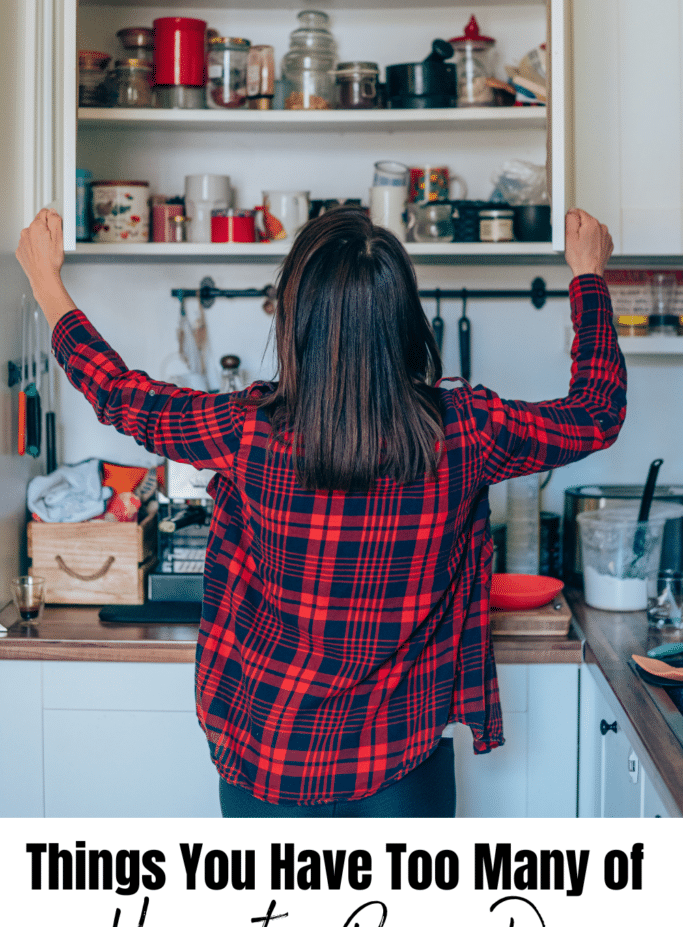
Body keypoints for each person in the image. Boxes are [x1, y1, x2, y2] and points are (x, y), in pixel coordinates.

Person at [16, 206, 625, 818]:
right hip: (401, 758)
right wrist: (587, 276)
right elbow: (597, 411)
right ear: (404, 321)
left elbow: (122, 395)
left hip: (268, 754)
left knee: (271, 919)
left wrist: (48, 284)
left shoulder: (246, 431)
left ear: (294, 322)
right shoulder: (467, 432)